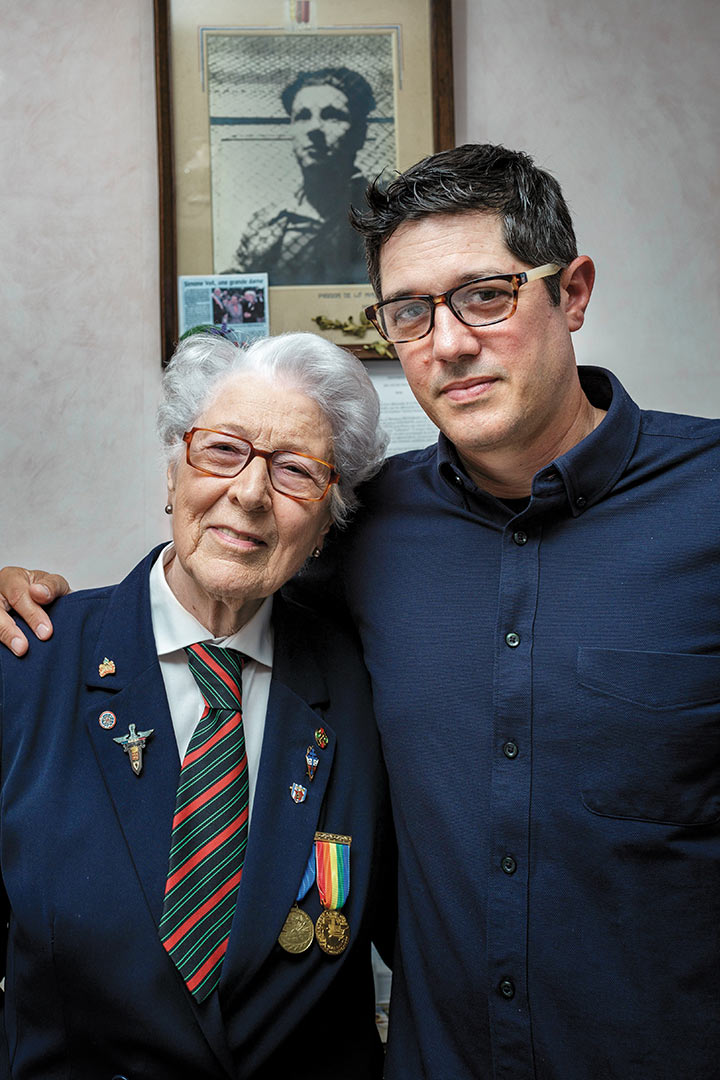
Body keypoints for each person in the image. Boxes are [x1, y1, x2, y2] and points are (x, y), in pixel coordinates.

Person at [4, 142, 719, 1080]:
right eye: (410, 311)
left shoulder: (704, 504)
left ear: (573, 293)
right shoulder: (372, 526)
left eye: (486, 296)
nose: (448, 342)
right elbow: (213, 577)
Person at [0, 329, 392, 1078]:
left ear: (326, 522)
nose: (249, 493)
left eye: (295, 471)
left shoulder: (365, 691)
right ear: (173, 472)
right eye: (222, 451)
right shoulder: (28, 663)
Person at [225, 67, 375, 285]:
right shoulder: (265, 225)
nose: (314, 128)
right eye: (303, 116)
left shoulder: (382, 215)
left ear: (359, 134)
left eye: (332, 116)